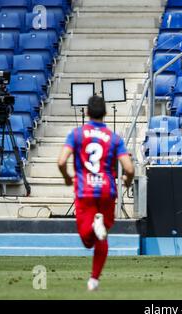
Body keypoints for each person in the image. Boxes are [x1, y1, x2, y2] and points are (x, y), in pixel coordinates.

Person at [57, 95, 134, 291]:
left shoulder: (75, 135)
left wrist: (67, 178)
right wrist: (127, 180)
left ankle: (93, 225)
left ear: (87, 113)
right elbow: (129, 168)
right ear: (106, 113)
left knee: (87, 240)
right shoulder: (115, 139)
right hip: (107, 191)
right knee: (102, 237)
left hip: (85, 191)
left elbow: (61, 161)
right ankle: (94, 280)